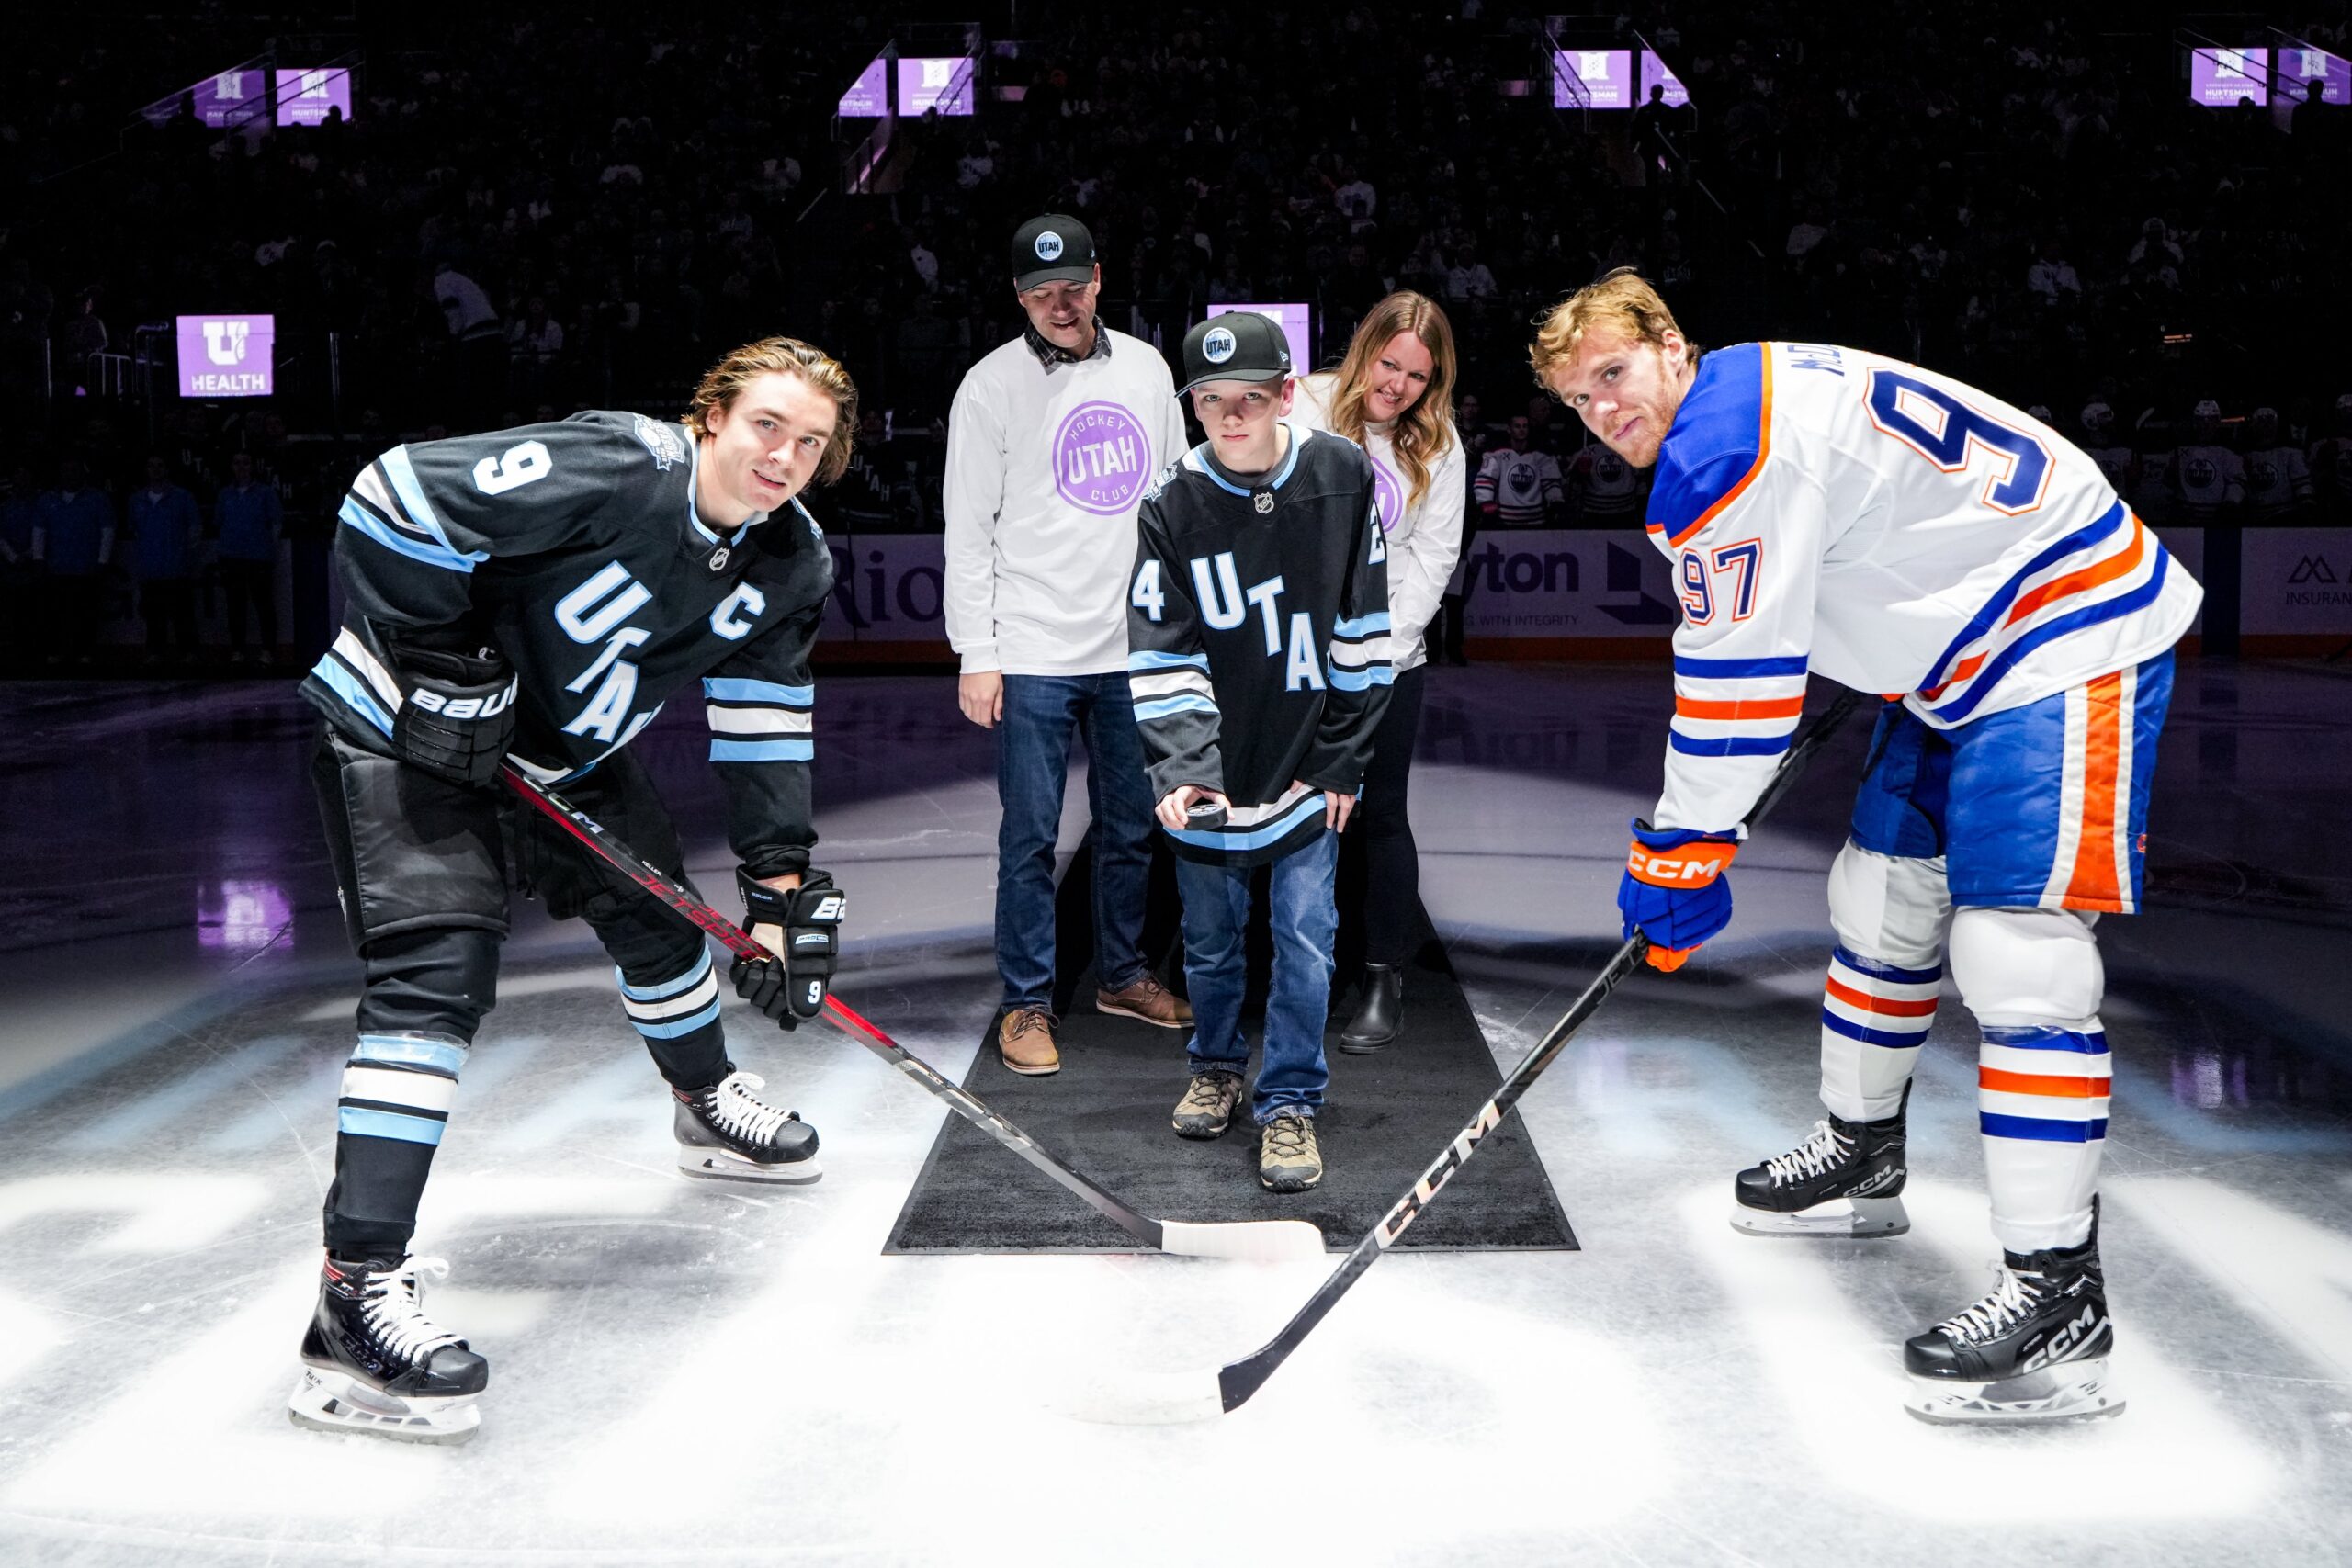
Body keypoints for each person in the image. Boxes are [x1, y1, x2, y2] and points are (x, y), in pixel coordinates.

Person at [1531, 270, 2201, 1425]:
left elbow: (1738, 691)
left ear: (1671, 349)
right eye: (1577, 399)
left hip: (2061, 635)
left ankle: (2060, 1297)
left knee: (2019, 958)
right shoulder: (1745, 389)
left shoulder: (1719, 451)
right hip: (1965, 646)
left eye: (1613, 375)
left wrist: (1678, 849)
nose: (1601, 410)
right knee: (1880, 897)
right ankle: (1861, 1151)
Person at [288, 336, 854, 1444]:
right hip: (406, 743)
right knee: (432, 991)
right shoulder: (617, 467)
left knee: (663, 930)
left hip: (566, 761)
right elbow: (390, 492)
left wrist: (779, 888)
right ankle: (352, 1292)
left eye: (812, 443)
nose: (785, 456)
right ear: (712, 417)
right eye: (766, 427)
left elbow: (762, 727)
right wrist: (446, 657)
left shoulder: (792, 562)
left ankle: (704, 1103)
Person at [1129, 310, 1391, 1192]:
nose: (1230, 417)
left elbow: (1364, 629)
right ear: (1192, 405)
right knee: (1208, 942)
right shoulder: (1169, 501)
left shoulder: (1343, 474)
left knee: (1306, 941)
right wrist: (1185, 765)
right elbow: (1161, 645)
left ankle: (1289, 1103)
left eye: (1250, 398)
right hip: (1213, 762)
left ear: (1287, 394)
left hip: (1306, 761)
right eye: (1210, 401)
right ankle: (1215, 1066)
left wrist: (1340, 759)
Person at [943, 214, 1192, 1076]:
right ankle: (1025, 1003)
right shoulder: (989, 386)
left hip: (1132, 645)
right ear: (1018, 297)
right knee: (1031, 835)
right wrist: (978, 651)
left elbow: (1172, 501)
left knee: (1131, 827)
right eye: (1041, 291)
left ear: (1099, 277)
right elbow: (968, 529)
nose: (1060, 302)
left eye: (1073, 285)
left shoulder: (1150, 369)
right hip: (1034, 647)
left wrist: (1180, 632)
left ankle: (1122, 973)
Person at [1294, 292, 1464, 1050]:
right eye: (1389, 363)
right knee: (1296, 815)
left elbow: (1433, 562)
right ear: (1365, 348)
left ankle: (1381, 973)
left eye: (1417, 376)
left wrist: (1376, 659)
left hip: (1388, 665)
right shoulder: (1302, 403)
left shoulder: (1440, 446)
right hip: (1296, 657)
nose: (1396, 386)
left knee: (1380, 814)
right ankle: (1299, 970)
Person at [32, 456, 115, 668]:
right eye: (66, 470)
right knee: (54, 613)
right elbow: (39, 531)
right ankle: (56, 651)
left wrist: (103, 560)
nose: (70, 474)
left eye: (74, 469)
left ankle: (84, 651)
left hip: (86, 567)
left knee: (86, 613)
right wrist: (38, 558)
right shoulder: (46, 500)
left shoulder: (98, 498)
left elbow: (107, 531)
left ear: (82, 472)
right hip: (55, 566)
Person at [127, 455, 201, 663]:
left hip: (177, 568)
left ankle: (189, 653)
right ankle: (155, 653)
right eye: (151, 465)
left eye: (160, 465)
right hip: (150, 569)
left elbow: (194, 530)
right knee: (154, 617)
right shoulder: (136, 501)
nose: (156, 469)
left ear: (167, 469)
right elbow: (134, 533)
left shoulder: (183, 497)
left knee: (183, 616)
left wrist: (184, 555)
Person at [212, 452, 283, 665]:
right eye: (237, 463)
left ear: (253, 466)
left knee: (264, 606)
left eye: (245, 462)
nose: (241, 467)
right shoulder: (225, 495)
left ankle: (268, 650)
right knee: (235, 607)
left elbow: (276, 524)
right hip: (232, 557)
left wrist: (268, 549)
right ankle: (237, 650)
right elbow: (219, 523)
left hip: (258, 558)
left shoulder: (265, 493)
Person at [1473, 413, 1566, 527]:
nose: (1522, 430)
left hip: (1536, 522)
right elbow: (1485, 481)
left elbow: (1551, 483)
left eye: (1525, 426)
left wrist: (1556, 501)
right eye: (1517, 426)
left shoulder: (1541, 455)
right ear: (1509, 429)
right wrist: (1486, 503)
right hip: (1506, 522)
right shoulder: (1497, 454)